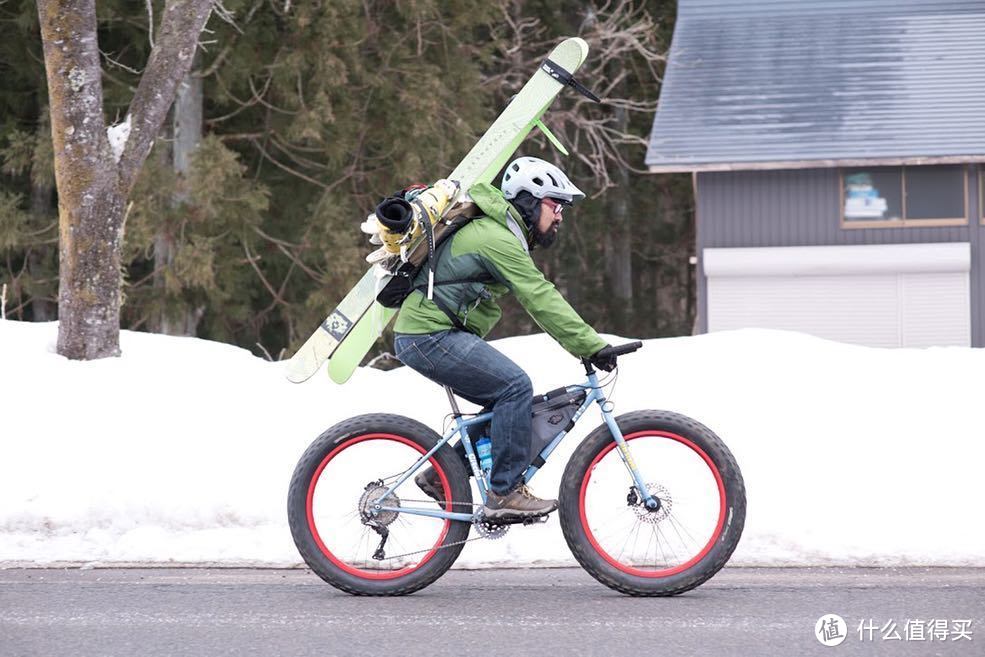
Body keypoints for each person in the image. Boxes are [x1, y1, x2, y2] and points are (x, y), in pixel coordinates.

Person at [393, 156, 616, 521]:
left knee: (503, 400)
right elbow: (539, 296)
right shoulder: (496, 238)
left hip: (429, 334)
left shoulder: (500, 233)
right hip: (428, 336)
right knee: (514, 387)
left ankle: (441, 477)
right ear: (529, 201)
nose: (560, 215)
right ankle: (505, 494)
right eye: (554, 204)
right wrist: (591, 345)